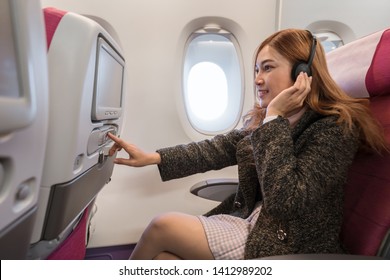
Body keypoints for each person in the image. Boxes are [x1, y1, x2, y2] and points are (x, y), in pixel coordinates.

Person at [107, 29, 389, 260]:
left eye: (267, 68)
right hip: (253, 222)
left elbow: (286, 201)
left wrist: (275, 117)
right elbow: (215, 149)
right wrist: (152, 157)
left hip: (291, 242)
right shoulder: (265, 121)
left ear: (301, 72)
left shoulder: (334, 128)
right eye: (256, 69)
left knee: (162, 226)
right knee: (163, 262)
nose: (257, 79)